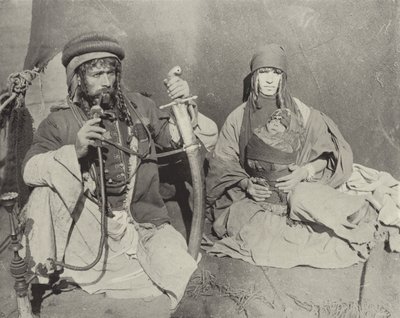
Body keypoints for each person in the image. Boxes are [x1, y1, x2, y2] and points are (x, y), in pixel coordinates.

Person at [22, 32, 217, 311]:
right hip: (91, 228)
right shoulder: (59, 121)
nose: (105, 81)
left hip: (145, 223)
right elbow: (30, 170)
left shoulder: (141, 108)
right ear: (78, 78)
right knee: (42, 194)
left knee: (181, 275)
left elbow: (181, 138)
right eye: (96, 74)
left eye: (110, 72)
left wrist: (185, 107)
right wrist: (74, 151)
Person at [206, 43, 399, 268]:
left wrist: (304, 171)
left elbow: (329, 154)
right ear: (254, 77)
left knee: (304, 199)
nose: (270, 79)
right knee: (263, 235)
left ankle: (363, 213)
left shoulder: (300, 111)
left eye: (276, 73)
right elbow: (223, 163)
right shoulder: (238, 118)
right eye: (264, 72)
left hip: (295, 189)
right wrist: (246, 183)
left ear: (283, 78)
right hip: (256, 199)